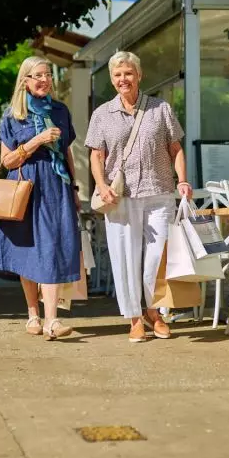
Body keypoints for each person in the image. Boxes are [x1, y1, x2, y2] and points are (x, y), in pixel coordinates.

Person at [85, 51, 192, 343]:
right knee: (125, 258)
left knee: (156, 258)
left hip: (158, 191)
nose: (123, 79)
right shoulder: (102, 114)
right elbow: (96, 155)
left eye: (128, 74)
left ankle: (153, 311)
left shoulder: (160, 108)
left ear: (139, 75)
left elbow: (176, 149)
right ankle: (135, 318)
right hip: (120, 196)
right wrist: (101, 185)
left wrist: (182, 180)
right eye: (118, 75)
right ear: (112, 79)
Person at [0, 56, 81, 340]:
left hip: (55, 186)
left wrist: (75, 189)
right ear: (25, 81)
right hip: (25, 186)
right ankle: (33, 315)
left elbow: (67, 153)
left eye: (48, 75)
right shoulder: (12, 115)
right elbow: (7, 161)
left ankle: (52, 320)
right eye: (38, 75)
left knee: (52, 248)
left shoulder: (61, 110)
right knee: (28, 249)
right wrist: (35, 141)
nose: (44, 80)